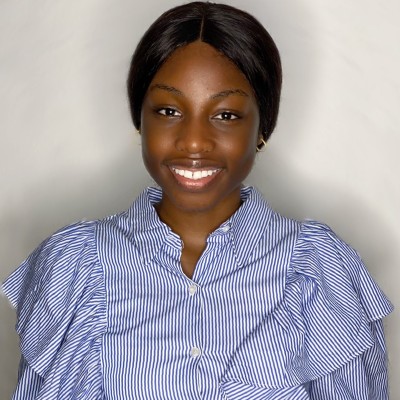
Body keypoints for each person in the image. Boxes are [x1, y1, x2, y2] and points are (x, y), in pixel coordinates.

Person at [2, 2, 393, 399]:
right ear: (140, 121)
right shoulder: (76, 267)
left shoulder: (318, 271)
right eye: (168, 110)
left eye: (226, 115)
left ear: (262, 128)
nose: (193, 142)